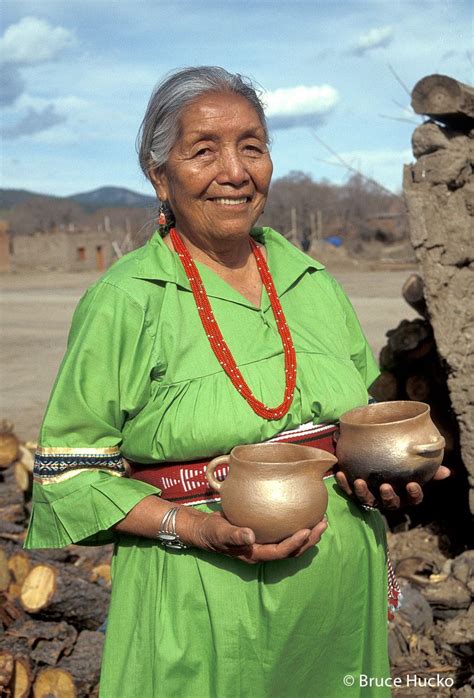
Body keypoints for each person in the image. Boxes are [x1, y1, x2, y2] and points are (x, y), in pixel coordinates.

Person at [25, 66, 449, 698]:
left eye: (252, 146)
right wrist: (196, 528)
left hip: (335, 598)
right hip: (200, 600)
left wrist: (382, 482)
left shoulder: (312, 282)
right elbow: (68, 473)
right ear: (158, 174)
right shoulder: (125, 299)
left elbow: (359, 424)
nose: (235, 170)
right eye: (203, 150)